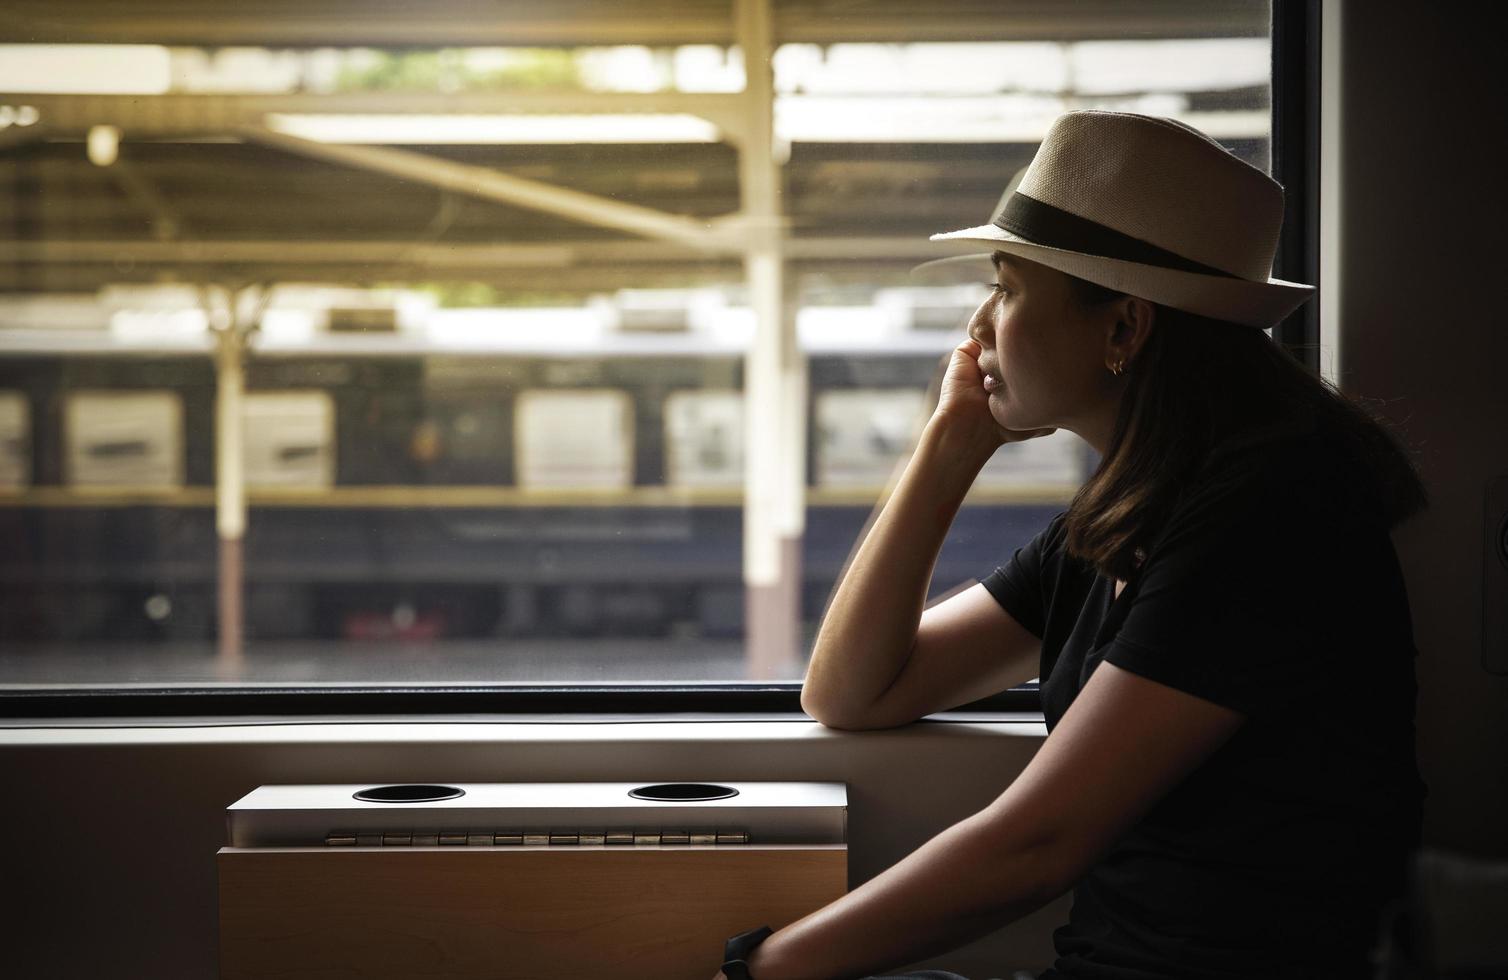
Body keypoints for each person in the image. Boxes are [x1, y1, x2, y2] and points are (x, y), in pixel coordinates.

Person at [713, 111, 1430, 980]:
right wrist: (950, 445)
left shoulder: (1271, 515)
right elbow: (855, 693)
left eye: (1008, 289)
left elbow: (1038, 845)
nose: (977, 328)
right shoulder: (1127, 514)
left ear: (1124, 330)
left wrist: (759, 968)